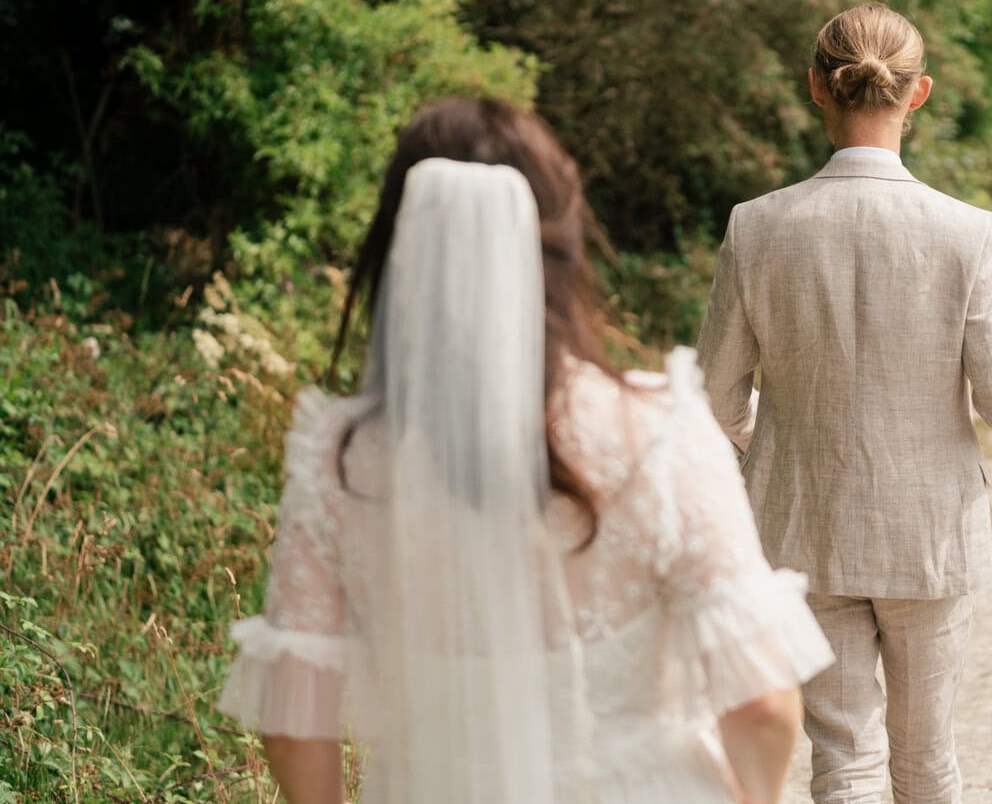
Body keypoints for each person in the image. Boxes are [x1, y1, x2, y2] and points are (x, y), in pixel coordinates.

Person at [217, 96, 834, 804]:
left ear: (400, 246)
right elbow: (759, 704)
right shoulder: (655, 428)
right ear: (560, 244)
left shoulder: (341, 457)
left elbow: (297, 722)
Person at [696, 3, 992, 804]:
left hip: (801, 529)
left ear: (815, 88)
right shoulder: (967, 232)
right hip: (928, 540)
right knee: (927, 760)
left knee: (843, 763)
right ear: (920, 94)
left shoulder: (755, 227)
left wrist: (783, 450)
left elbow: (714, 398)